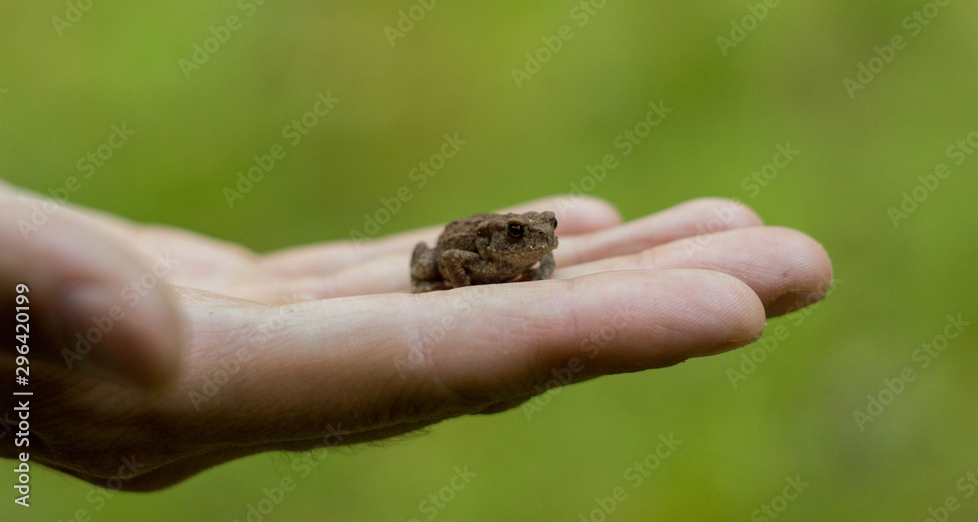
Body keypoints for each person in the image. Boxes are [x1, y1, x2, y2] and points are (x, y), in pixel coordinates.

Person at [0, 179, 832, 491]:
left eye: (538, 234)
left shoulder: (532, 247)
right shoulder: (483, 247)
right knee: (431, 258)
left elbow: (535, 255)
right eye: (522, 235)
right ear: (501, 238)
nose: (535, 242)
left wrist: (532, 265)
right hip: (444, 250)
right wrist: (471, 271)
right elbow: (445, 255)